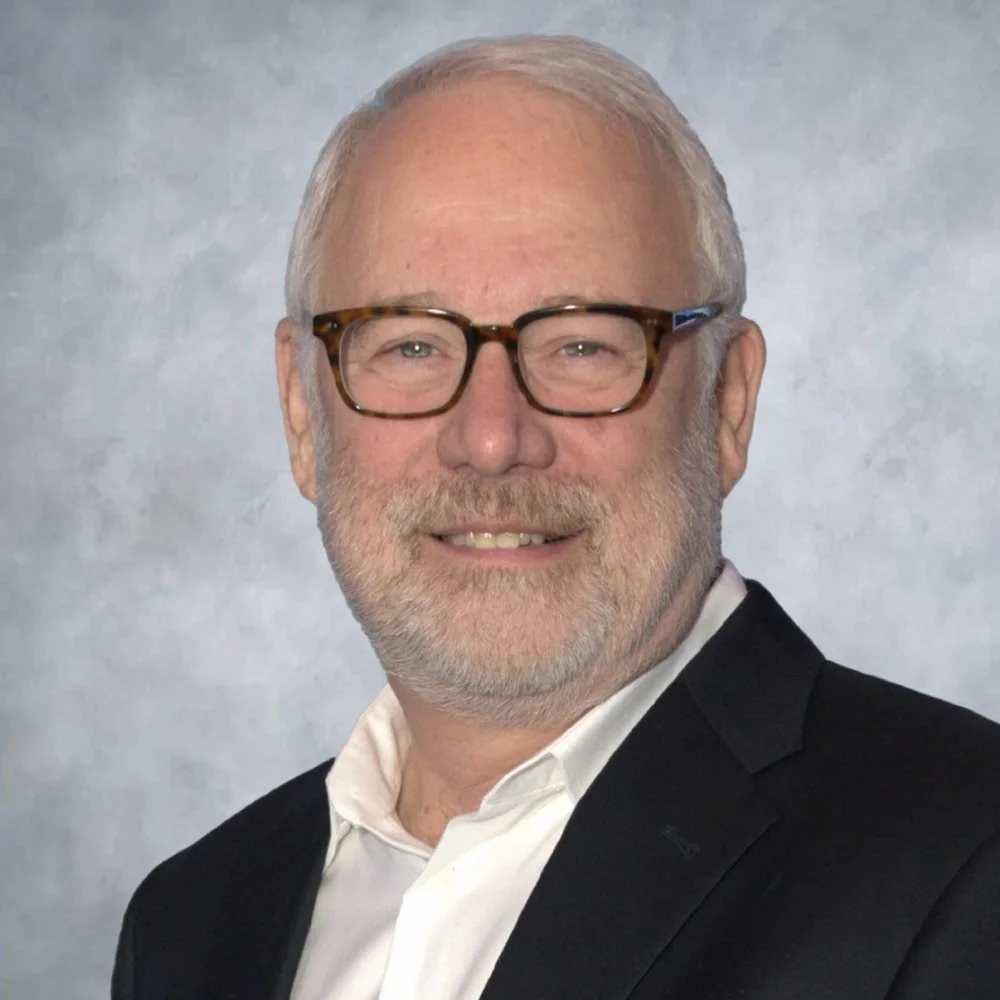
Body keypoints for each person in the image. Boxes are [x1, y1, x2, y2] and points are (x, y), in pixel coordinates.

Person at [111, 34, 1000, 1000]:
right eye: (409, 347)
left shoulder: (966, 861)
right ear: (300, 411)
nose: (493, 438)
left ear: (727, 404)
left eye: (582, 345)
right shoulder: (192, 923)